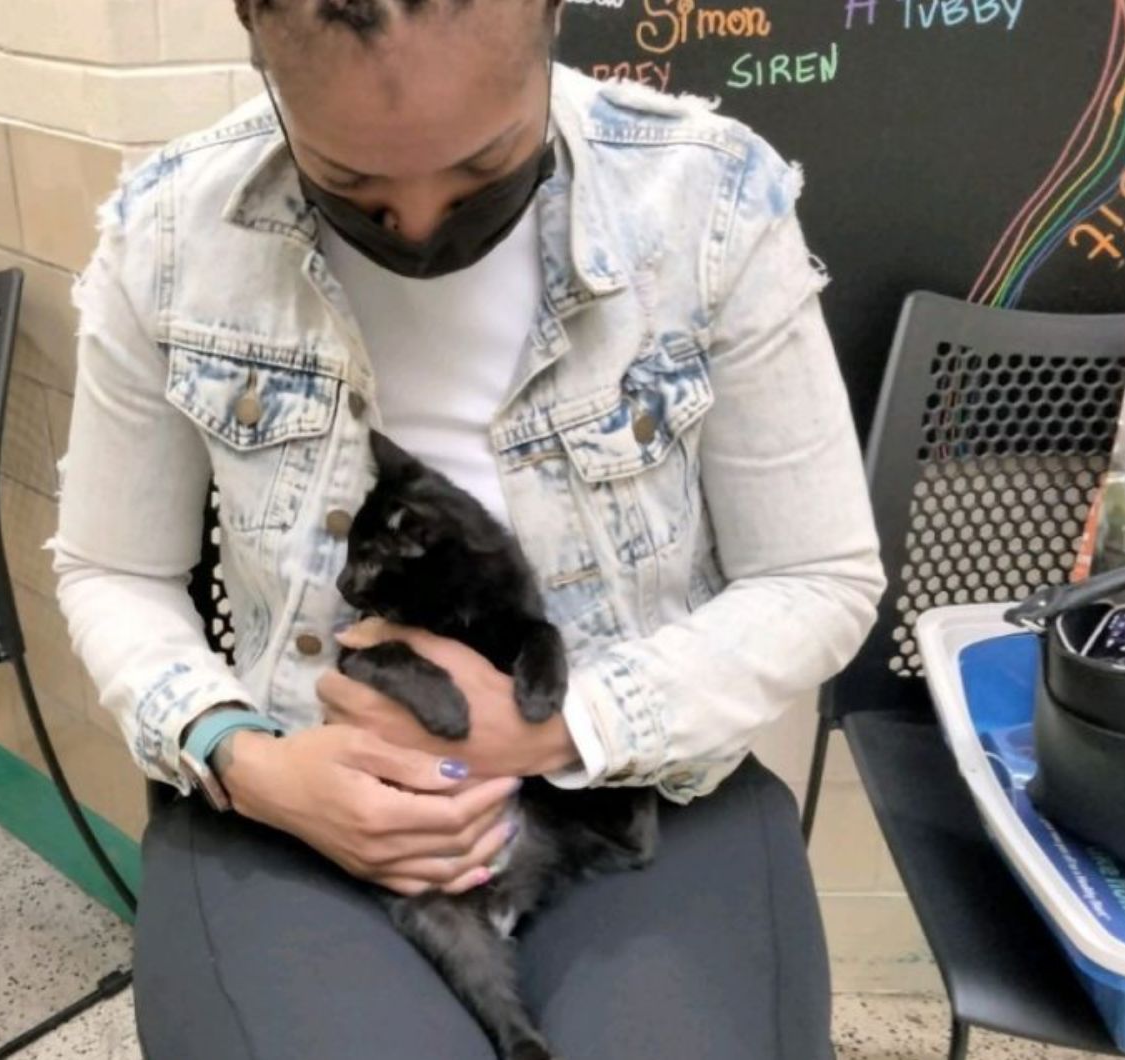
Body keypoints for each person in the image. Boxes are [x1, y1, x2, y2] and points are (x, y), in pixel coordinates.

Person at [48, 0, 886, 1055]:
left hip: (638, 792)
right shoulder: (169, 231)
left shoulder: (710, 199)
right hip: (297, 794)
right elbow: (111, 569)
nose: (417, 226)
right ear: (255, 34)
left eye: (485, 167)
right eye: (347, 181)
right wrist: (243, 757)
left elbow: (817, 575)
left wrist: (562, 725)